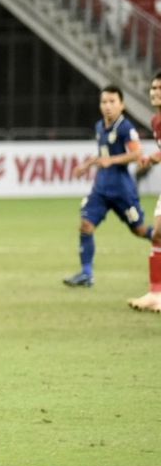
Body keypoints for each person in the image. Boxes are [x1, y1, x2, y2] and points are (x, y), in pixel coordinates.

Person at [63, 85, 152, 288]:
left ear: (122, 105)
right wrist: (86, 165)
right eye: (104, 102)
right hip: (101, 189)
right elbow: (102, 155)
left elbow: (137, 153)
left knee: (140, 230)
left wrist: (111, 161)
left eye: (112, 102)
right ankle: (87, 274)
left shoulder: (125, 128)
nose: (108, 106)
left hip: (122, 191)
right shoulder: (99, 127)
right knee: (86, 225)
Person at [128, 74, 161, 311]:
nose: (154, 92)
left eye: (160, 88)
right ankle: (155, 292)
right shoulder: (156, 121)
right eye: (153, 87)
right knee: (158, 234)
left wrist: (152, 158)